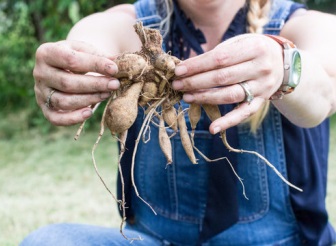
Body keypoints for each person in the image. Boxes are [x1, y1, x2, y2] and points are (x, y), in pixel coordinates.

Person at [21, 0, 336, 245]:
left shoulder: (304, 25)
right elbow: (89, 40)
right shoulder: (132, 24)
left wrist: (284, 68)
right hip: (154, 241)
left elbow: (322, 95)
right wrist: (74, 70)